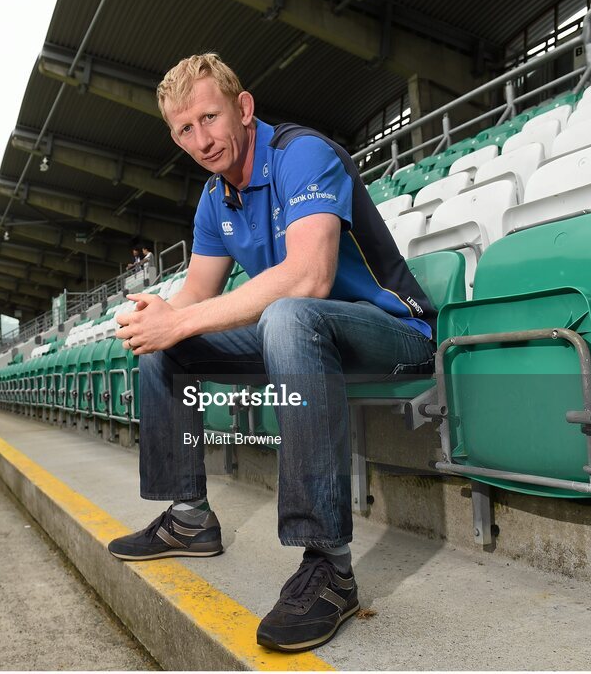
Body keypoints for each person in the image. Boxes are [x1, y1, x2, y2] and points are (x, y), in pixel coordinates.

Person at [109, 53, 436, 653]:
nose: (201, 139)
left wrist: (179, 320)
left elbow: (309, 277)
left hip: (393, 334)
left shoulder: (302, 153)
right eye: (184, 130)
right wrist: (157, 317)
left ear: (243, 107)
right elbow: (196, 296)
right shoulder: (215, 198)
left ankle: (330, 567)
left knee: (285, 312)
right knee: (164, 344)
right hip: (300, 336)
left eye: (209, 118)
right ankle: (189, 519)